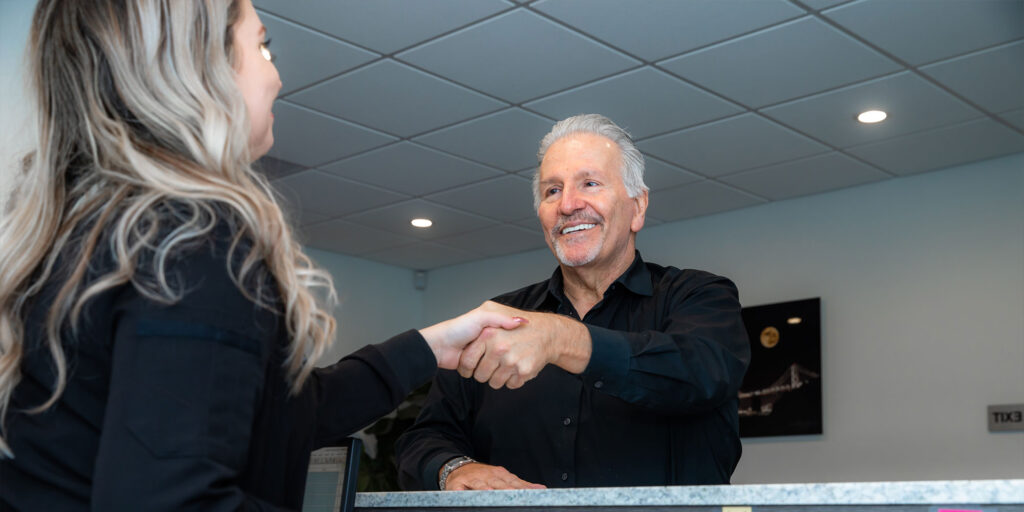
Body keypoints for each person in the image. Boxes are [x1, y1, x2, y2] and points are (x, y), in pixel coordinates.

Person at [0, 1, 526, 510]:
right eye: (263, 46)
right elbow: (175, 498)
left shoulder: (93, 230)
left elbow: (279, 415)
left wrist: (430, 347)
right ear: (202, 64)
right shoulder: (190, 240)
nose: (276, 76)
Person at [395, 114, 752, 491]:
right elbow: (423, 438)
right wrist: (453, 468)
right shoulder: (496, 322)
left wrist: (561, 339)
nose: (567, 205)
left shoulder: (699, 296)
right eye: (552, 191)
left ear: (638, 207)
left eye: (590, 183)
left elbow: (700, 374)